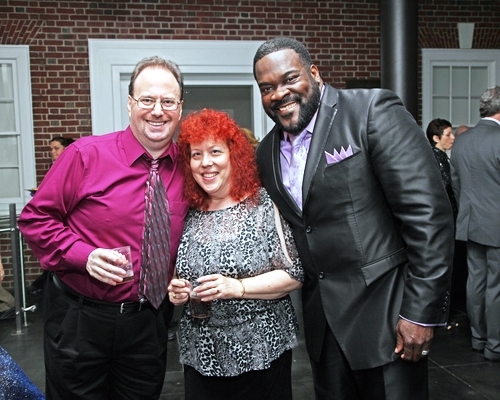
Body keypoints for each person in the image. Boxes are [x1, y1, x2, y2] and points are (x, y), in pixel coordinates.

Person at [253, 37, 454, 399]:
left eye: (289, 79)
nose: (279, 93)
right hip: (323, 330)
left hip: (388, 319)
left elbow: (429, 216)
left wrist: (420, 313)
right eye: (267, 88)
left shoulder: (371, 110)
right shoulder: (266, 151)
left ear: (314, 72)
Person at [18, 55, 189, 399]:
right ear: (130, 104)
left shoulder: (189, 168)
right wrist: (85, 255)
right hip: (80, 318)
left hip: (148, 322)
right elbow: (35, 218)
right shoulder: (86, 155)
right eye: (147, 100)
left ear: (180, 108)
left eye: (168, 101)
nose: (158, 110)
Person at [167, 108, 304, 400]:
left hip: (260, 351)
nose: (206, 163)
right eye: (196, 155)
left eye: (215, 151)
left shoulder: (263, 205)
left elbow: (294, 274)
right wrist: (177, 288)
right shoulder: (189, 212)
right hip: (201, 353)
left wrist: (238, 287)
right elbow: (183, 270)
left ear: (233, 155)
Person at [450, 85, 500, 362]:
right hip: (497, 224)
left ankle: (479, 338)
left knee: (476, 282)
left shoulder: (463, 141)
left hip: (470, 222)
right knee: (497, 286)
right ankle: (495, 345)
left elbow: (457, 186)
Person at [426, 118, 467, 327]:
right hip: (444, 221)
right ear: (436, 138)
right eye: (448, 134)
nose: (452, 138)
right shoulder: (437, 159)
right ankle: (444, 316)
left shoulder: (441, 157)